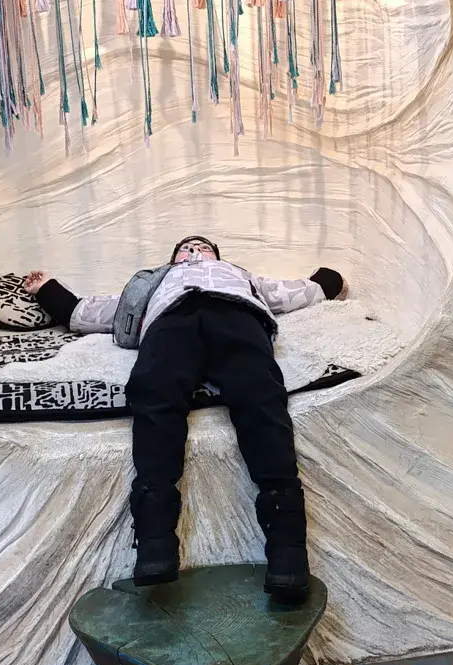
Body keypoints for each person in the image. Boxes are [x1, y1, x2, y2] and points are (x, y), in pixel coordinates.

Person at [23, 236, 346, 601]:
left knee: (261, 396)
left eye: (203, 247)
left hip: (236, 316)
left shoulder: (238, 275)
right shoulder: (153, 282)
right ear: (173, 259)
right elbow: (93, 311)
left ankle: (289, 554)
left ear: (217, 257)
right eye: (185, 248)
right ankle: (155, 545)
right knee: (153, 392)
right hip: (170, 321)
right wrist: (47, 290)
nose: (194, 250)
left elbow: (289, 292)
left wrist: (326, 281)